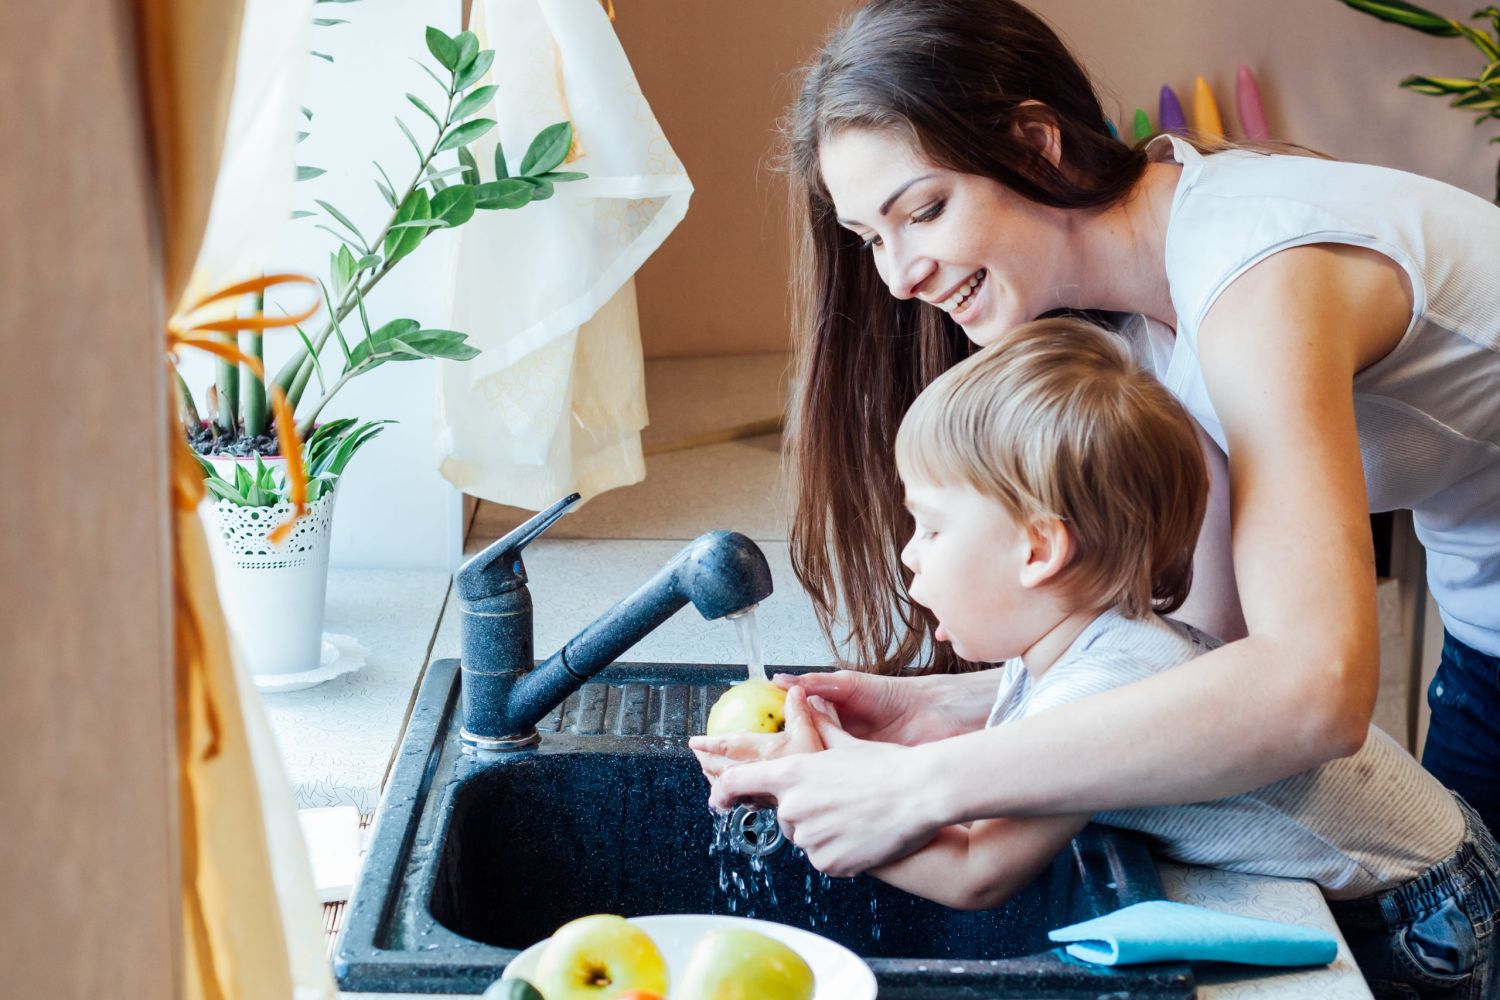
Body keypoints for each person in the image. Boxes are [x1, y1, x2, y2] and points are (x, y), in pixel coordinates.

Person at [696, 0, 1500, 882]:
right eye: (869, 238)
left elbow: (1314, 690)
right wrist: (952, 708)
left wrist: (925, 784)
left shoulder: (1255, 284)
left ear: (1036, 144)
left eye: (923, 210)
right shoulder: (1134, 329)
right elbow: (1201, 651)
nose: (897, 276)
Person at [698, 317, 1500, 995]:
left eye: (932, 527)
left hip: (1418, 910)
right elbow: (988, 780)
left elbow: (979, 866)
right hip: (1431, 862)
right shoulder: (1074, 646)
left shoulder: (1105, 680)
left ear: (1040, 549)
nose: (911, 555)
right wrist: (866, 743)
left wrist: (822, 792)